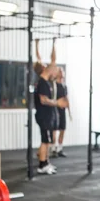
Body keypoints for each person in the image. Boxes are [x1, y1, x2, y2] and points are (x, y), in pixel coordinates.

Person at [34, 38, 67, 175]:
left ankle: (46, 162)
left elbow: (53, 60)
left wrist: (54, 44)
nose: (56, 72)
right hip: (44, 116)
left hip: (48, 115)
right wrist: (57, 103)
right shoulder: (42, 82)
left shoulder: (47, 82)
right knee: (45, 141)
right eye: (54, 70)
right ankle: (42, 165)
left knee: (47, 141)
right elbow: (43, 100)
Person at [51, 67, 71, 158]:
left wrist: (69, 112)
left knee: (62, 129)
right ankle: (53, 148)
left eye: (63, 71)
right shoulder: (54, 85)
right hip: (55, 110)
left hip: (62, 110)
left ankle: (60, 149)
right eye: (60, 71)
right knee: (54, 130)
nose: (62, 73)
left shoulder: (64, 86)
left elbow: (66, 99)